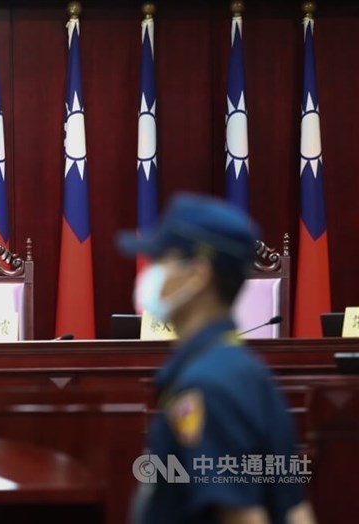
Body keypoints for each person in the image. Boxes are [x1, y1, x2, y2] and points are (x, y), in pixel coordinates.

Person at [116, 193, 317, 524]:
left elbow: (243, 516)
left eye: (161, 260)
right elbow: (295, 511)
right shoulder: (248, 372)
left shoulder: (205, 387)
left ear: (197, 274)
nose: (150, 274)